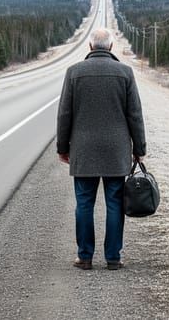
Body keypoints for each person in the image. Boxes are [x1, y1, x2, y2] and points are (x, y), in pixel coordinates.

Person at [56, 27, 146, 271]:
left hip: (83, 150)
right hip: (116, 151)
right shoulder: (125, 73)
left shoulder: (74, 73)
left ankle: (85, 256)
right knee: (115, 203)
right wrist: (139, 148)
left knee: (84, 203)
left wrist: (62, 147)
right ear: (111, 47)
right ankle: (113, 257)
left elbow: (65, 114)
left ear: (90, 47)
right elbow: (134, 114)